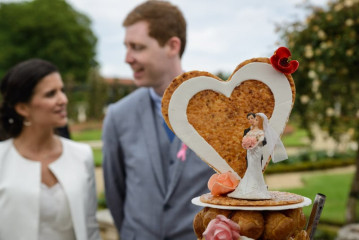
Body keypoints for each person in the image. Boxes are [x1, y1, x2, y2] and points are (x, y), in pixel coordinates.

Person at [102, 1, 214, 239]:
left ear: (172, 46)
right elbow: (115, 191)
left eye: (137, 47)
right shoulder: (117, 115)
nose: (127, 58)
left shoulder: (217, 109)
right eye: (126, 47)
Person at [0, 59, 100, 240]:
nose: (63, 100)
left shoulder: (82, 155)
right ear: (22, 107)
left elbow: (90, 226)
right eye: (50, 94)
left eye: (61, 90)